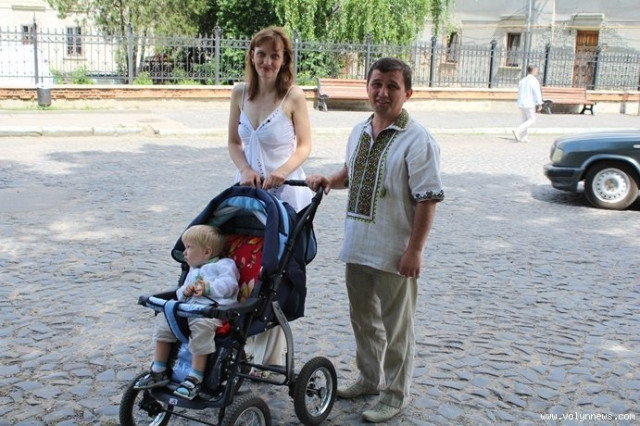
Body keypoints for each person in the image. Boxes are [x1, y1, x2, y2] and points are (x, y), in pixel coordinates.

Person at [306, 57, 444, 423]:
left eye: (392, 86)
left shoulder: (418, 140)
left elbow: (428, 198)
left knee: (397, 329)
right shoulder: (359, 130)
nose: (383, 92)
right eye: (376, 84)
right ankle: (369, 379)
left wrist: (415, 250)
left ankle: (396, 394)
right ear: (367, 87)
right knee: (364, 321)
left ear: (407, 93)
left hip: (395, 252)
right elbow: (352, 172)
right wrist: (329, 180)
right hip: (358, 247)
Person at [227, 27, 313, 370]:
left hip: (286, 194)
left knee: (276, 273)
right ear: (252, 55)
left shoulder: (293, 96)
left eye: (274, 55)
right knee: (245, 263)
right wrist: (245, 168)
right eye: (261, 54)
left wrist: (282, 171)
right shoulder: (239, 93)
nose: (267, 61)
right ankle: (241, 344)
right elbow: (234, 143)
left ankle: (271, 356)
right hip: (249, 192)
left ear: (284, 60)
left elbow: (304, 146)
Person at [134, 224, 239, 400]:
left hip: (212, 313)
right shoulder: (193, 269)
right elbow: (180, 293)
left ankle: (195, 378)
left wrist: (208, 288)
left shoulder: (224, 265)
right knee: (165, 320)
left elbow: (230, 285)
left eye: (189, 247)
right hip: (188, 310)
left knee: (201, 329)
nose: (184, 252)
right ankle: (159, 369)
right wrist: (186, 291)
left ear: (207, 252)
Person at [513, 64, 543, 142]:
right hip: (529, 102)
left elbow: (519, 92)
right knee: (532, 119)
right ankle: (518, 130)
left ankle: (524, 137)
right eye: (536, 70)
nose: (537, 72)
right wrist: (539, 103)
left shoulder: (522, 80)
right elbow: (537, 92)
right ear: (533, 71)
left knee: (525, 120)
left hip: (522, 102)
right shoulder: (534, 81)